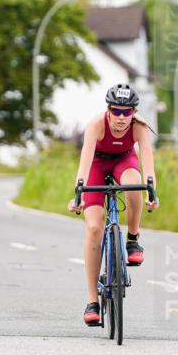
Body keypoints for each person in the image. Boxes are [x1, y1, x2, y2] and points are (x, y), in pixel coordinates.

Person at [67, 83, 158, 326]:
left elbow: (147, 160)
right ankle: (92, 302)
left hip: (123, 161)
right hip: (96, 165)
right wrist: (78, 195)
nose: (120, 117)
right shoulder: (96, 126)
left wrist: (152, 191)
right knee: (94, 228)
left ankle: (132, 239)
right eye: (116, 111)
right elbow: (85, 162)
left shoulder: (140, 127)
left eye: (126, 112)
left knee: (133, 183)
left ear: (133, 112)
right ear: (108, 110)